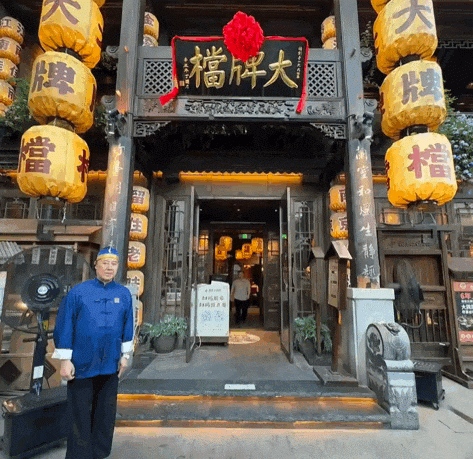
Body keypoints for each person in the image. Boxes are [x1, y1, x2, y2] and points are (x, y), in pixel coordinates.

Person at [52, 246, 134, 459]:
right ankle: (79, 455)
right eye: (105, 263)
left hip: (110, 363)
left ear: (118, 267)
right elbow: (64, 325)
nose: (109, 267)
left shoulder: (124, 294)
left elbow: (128, 326)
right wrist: (65, 360)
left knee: (105, 412)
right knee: (79, 412)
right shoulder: (78, 292)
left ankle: (100, 453)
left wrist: (125, 356)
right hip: (82, 363)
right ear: (96, 265)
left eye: (113, 264)